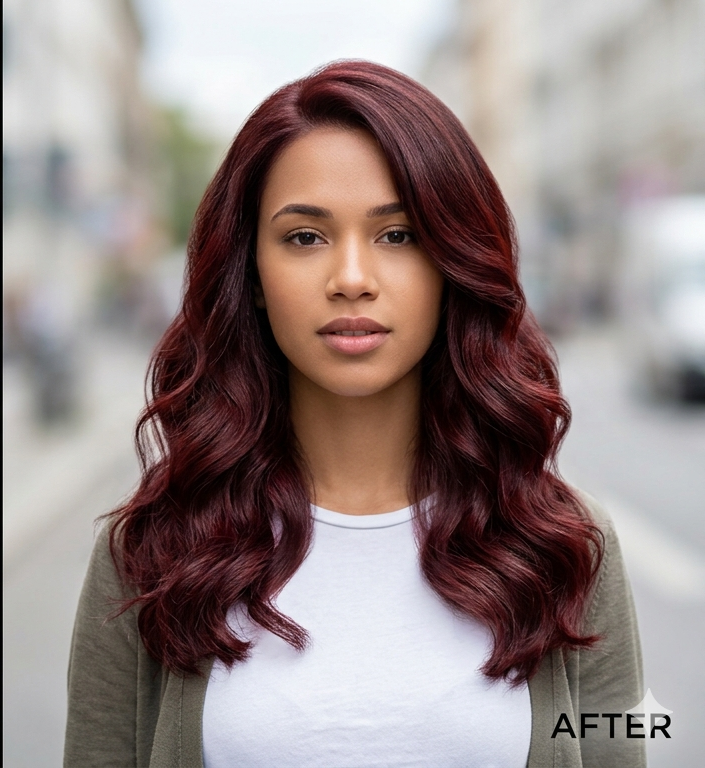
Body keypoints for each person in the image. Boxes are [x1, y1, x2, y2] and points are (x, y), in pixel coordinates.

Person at [65, 61, 644, 767]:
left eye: (398, 235)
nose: (351, 279)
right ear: (249, 276)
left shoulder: (564, 544)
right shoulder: (153, 549)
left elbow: (620, 743)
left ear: (453, 263)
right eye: (305, 237)